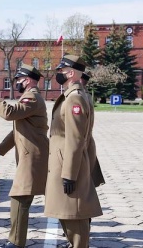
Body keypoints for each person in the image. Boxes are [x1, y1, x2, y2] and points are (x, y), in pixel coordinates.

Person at [0, 64, 49, 248]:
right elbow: (18, 131)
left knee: (19, 198)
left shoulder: (32, 97)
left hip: (34, 157)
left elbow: (8, 113)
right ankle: (76, 234)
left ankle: (15, 242)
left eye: (19, 80)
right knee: (48, 198)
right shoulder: (29, 97)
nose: (17, 84)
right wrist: (0, 149)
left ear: (27, 80)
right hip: (31, 155)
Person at [44, 55, 102, 248]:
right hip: (65, 160)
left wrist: (69, 174)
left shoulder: (74, 98)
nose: (58, 74)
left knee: (73, 213)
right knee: (66, 211)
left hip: (68, 164)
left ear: (70, 73)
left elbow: (75, 139)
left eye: (61, 71)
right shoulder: (76, 94)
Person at [79, 72, 105, 189]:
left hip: (81, 147)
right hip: (86, 144)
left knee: (82, 185)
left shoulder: (80, 97)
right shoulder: (85, 95)